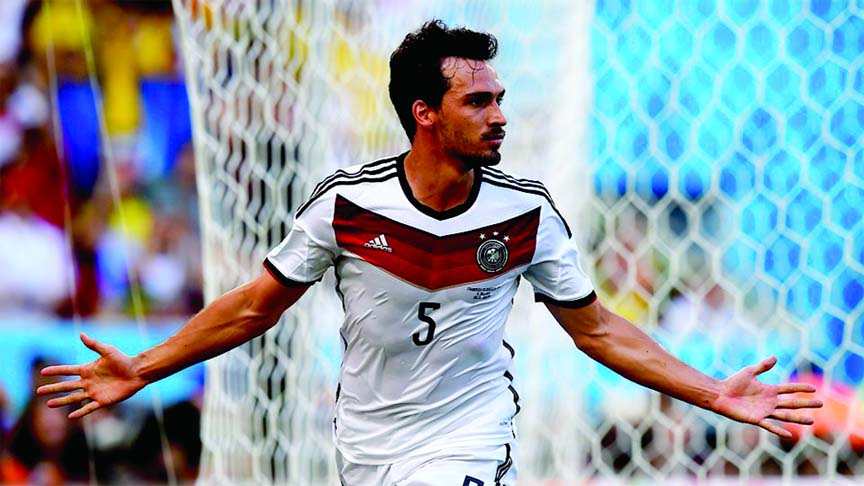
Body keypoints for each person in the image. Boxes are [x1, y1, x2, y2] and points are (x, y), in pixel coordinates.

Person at [38, 20, 822, 485]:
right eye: (478, 101)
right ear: (425, 115)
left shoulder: (527, 214)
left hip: (469, 438)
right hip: (369, 449)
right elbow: (251, 308)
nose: (499, 116)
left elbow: (600, 331)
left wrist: (712, 393)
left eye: (500, 100)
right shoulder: (345, 206)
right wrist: (143, 368)